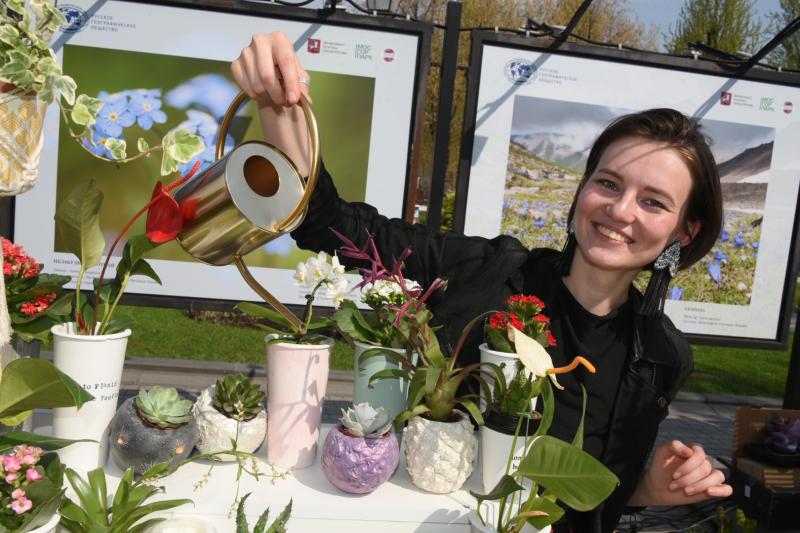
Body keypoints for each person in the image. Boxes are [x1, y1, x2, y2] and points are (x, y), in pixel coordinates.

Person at [231, 32, 734, 533]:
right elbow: (335, 227)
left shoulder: (662, 357)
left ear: (684, 230)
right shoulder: (492, 273)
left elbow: (598, 498)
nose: (619, 210)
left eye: (653, 202)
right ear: (582, 188)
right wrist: (279, 105)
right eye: (608, 183)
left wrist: (652, 486)